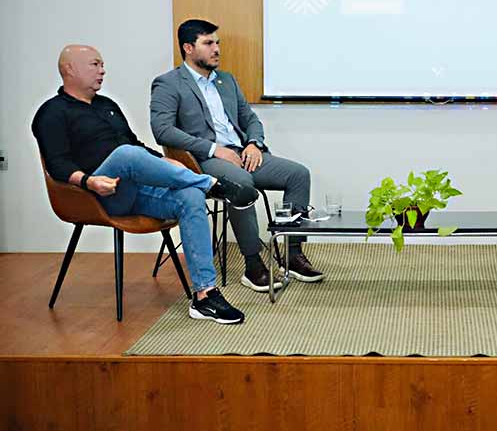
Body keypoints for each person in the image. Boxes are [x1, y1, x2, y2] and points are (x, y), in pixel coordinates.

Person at [33, 45, 257, 325]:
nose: (102, 70)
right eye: (95, 64)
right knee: (125, 155)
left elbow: (134, 145)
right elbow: (57, 164)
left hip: (135, 191)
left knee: (190, 195)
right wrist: (89, 181)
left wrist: (165, 163)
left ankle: (205, 296)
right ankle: (210, 184)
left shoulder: (107, 106)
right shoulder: (52, 112)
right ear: (69, 69)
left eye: (102, 64)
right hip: (95, 195)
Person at [150, 19, 321, 294]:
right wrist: (213, 149)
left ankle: (292, 255)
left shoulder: (226, 80)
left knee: (298, 174)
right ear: (188, 48)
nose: (216, 49)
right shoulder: (169, 83)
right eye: (208, 43)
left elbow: (250, 119)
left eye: (217, 43)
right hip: (203, 161)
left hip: (242, 154)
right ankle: (253, 265)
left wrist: (254, 143)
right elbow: (162, 130)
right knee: (241, 183)